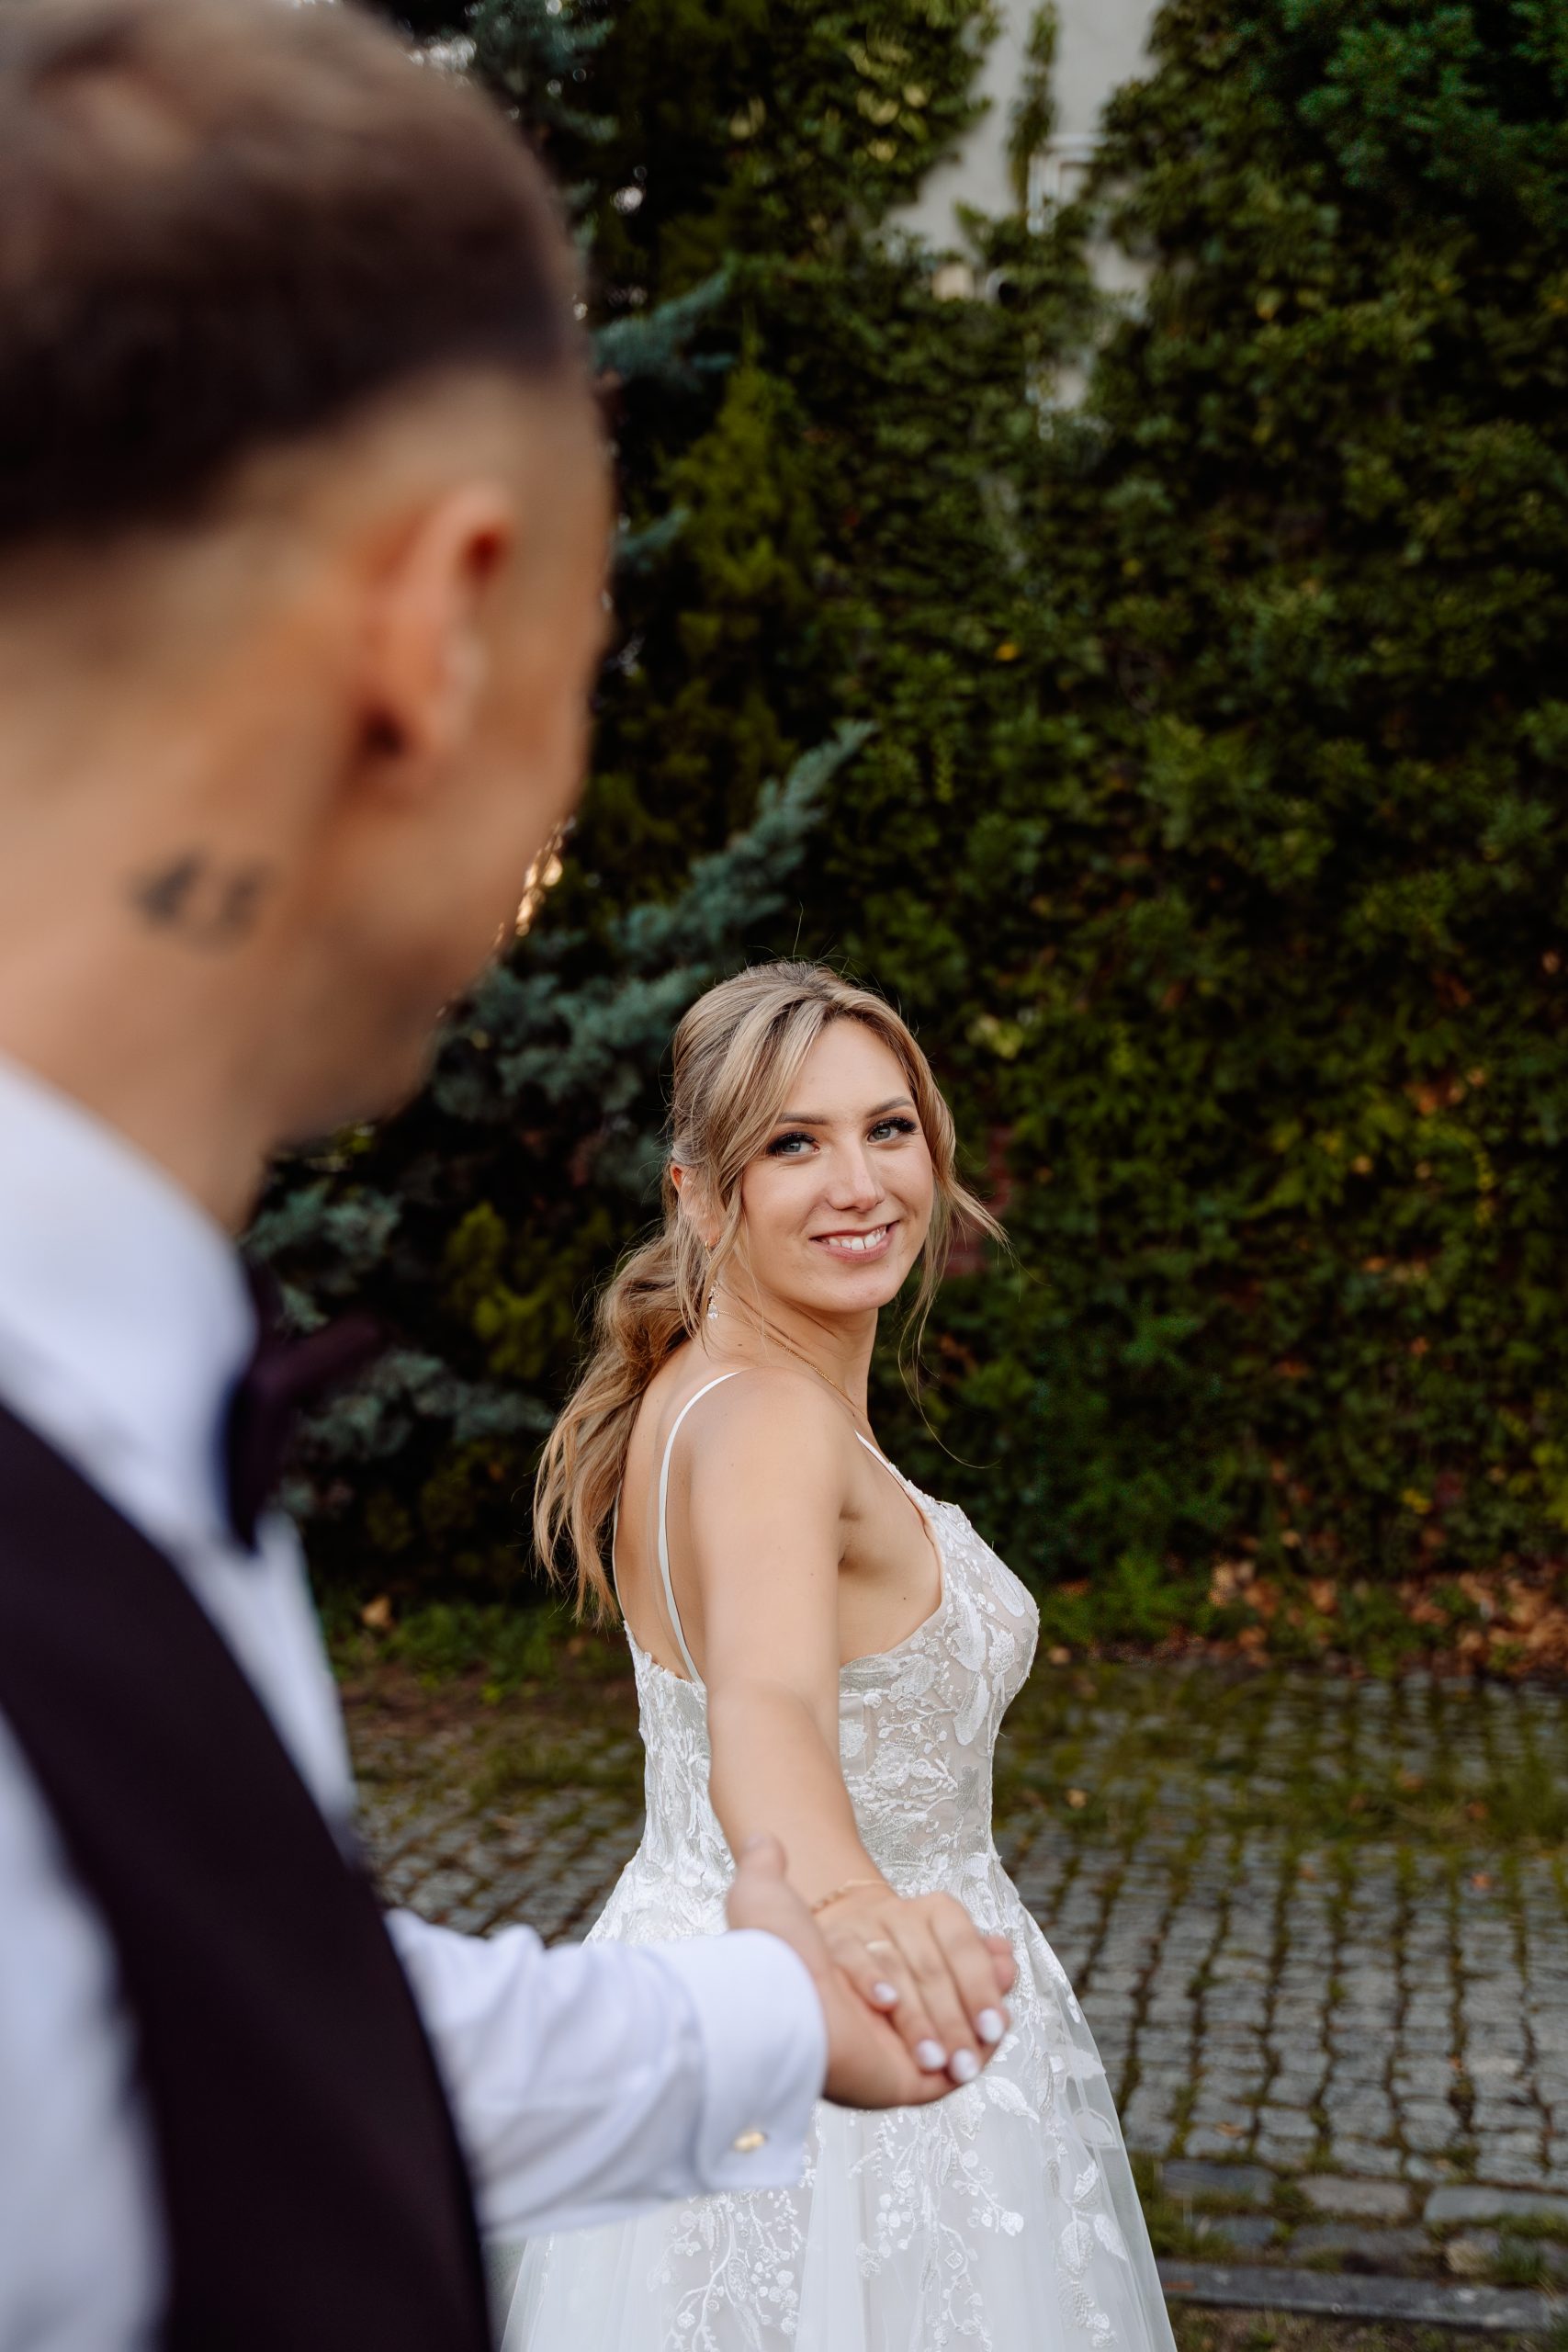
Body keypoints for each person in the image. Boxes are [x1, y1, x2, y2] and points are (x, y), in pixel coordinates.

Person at [0, 6, 1011, 2348]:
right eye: (589, 642)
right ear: (439, 626)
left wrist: (747, 2026)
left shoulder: (125, 1363)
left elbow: (190, 2013)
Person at [504, 961, 1178, 2351]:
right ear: (702, 1196)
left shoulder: (704, 1388)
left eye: (888, 1128)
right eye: (793, 1145)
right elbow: (766, 1716)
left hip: (701, 1979)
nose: (860, 1183)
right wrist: (861, 1908)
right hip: (844, 2027)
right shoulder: (770, 1424)